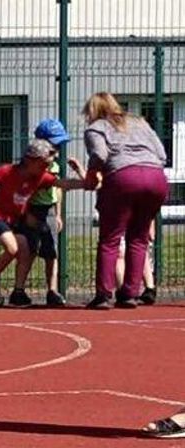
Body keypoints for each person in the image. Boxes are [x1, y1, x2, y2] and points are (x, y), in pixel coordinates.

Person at [0, 139, 90, 307]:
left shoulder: (41, 177)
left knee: (24, 250)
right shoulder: (7, 171)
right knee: (12, 248)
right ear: (31, 160)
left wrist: (81, 172)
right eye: (44, 164)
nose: (46, 168)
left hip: (13, 220)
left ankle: (18, 292)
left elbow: (67, 184)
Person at [79, 92, 169, 309]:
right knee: (139, 238)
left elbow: (99, 154)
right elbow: (162, 154)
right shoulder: (140, 123)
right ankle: (130, 293)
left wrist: (91, 175)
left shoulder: (96, 128)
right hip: (156, 178)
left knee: (110, 239)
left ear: (92, 111)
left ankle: (103, 294)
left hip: (123, 178)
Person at [21, 119, 73, 307]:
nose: (57, 148)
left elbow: (58, 190)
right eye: (54, 144)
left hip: (48, 209)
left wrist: (58, 214)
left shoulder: (55, 165)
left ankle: (52, 290)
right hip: (33, 208)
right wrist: (26, 212)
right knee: (29, 250)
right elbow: (23, 190)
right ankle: (19, 289)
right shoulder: (29, 165)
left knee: (51, 252)